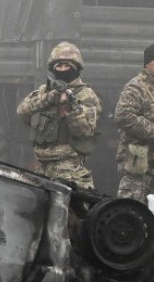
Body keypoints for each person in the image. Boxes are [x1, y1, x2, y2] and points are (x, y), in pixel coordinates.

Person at [17, 41, 102, 190]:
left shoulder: (86, 95)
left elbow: (86, 130)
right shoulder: (45, 91)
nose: (62, 70)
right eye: (59, 66)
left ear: (75, 68)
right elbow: (22, 111)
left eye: (66, 66)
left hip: (68, 169)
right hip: (40, 168)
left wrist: (69, 108)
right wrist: (47, 99)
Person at [114, 43, 154, 203]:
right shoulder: (135, 87)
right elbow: (123, 116)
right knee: (132, 207)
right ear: (147, 63)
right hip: (136, 158)